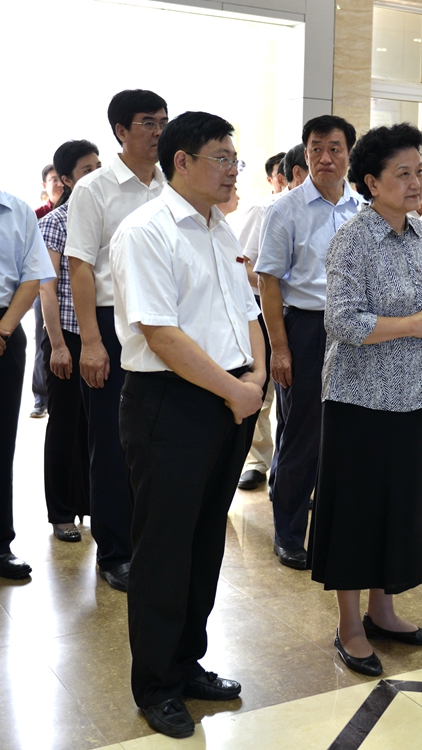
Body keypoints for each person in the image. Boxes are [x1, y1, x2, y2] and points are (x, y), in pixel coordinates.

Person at [112, 110, 265, 739]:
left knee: (205, 542)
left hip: (230, 399)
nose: (232, 171)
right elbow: (161, 334)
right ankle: (156, 685)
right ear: (182, 161)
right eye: (222, 159)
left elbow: (248, 310)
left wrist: (255, 376)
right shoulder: (146, 231)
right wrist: (236, 390)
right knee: (164, 549)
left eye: (235, 159)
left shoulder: (219, 227)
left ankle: (186, 662)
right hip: (170, 403)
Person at [310, 122, 422, 677]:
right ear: (371, 181)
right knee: (356, 512)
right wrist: (413, 323)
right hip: (359, 400)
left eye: (419, 172)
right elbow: (342, 321)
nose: (417, 183)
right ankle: (349, 625)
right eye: (403, 174)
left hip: (412, 394)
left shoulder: (421, 234)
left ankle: (383, 610)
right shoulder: (353, 238)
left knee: (399, 507)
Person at [66, 88, 169, 592]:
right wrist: (90, 341)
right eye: (148, 122)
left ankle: (150, 544)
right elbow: (80, 266)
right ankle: (115, 552)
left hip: (163, 324)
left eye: (163, 122)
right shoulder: (95, 189)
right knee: (111, 442)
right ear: (121, 131)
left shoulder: (172, 183)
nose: (159, 132)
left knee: (157, 439)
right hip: (111, 322)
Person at [256, 116, 363, 570]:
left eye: (334, 148)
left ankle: (333, 530)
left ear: (348, 154)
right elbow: (268, 282)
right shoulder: (286, 209)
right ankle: (289, 533)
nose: (325, 157)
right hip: (306, 328)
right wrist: (280, 349)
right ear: (305, 154)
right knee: (302, 436)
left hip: (358, 330)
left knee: (347, 436)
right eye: (316, 148)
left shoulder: (364, 208)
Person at [38, 140, 102, 542]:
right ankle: (61, 512)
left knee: (96, 427)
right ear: (65, 179)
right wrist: (58, 346)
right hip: (67, 337)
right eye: (86, 170)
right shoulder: (55, 222)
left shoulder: (103, 217)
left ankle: (90, 504)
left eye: (98, 166)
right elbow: (46, 289)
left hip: (100, 336)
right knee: (64, 425)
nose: (95, 174)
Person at [0, 189, 56, 579]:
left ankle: (0, 544)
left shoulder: (17, 211)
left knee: (2, 442)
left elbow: (33, 276)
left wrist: (4, 329)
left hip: (5, 331)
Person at [235, 153, 289, 492]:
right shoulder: (262, 209)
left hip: (301, 310)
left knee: (294, 393)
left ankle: (288, 466)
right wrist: (274, 286)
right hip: (261, 304)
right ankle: (256, 461)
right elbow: (242, 263)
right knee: (264, 386)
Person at [30, 164, 65, 419]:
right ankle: (40, 398)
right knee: (44, 341)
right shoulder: (38, 216)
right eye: (53, 180)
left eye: (61, 179)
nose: (59, 185)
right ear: (45, 185)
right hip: (41, 288)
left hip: (68, 291)